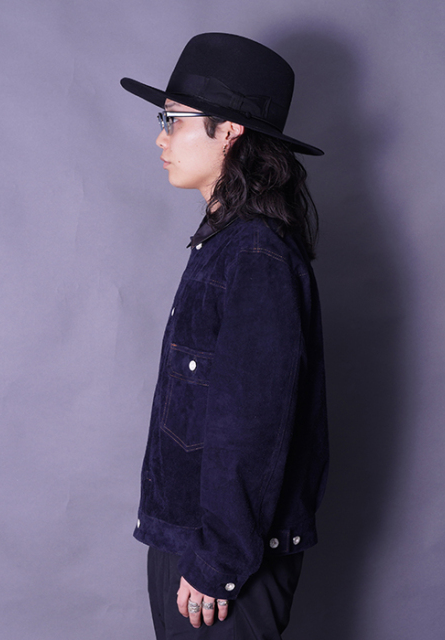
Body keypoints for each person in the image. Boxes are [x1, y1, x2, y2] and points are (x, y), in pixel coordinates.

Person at [121, 32, 329, 639]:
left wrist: (219, 564)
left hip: (220, 562)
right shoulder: (224, 245)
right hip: (192, 544)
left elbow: (252, 426)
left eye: (175, 120)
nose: (161, 138)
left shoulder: (256, 255)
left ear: (229, 131)